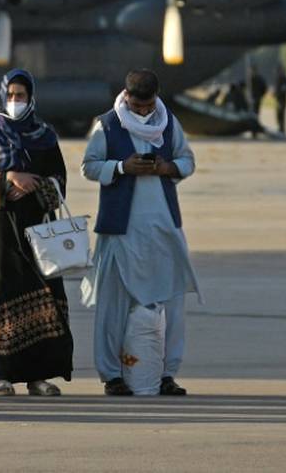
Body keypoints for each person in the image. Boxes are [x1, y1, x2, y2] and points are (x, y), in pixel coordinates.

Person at [81, 70, 200, 396]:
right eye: (138, 106)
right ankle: (112, 375)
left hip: (163, 229)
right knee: (113, 306)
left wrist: (167, 168)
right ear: (126, 96)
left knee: (171, 304)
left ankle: (166, 373)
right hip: (121, 232)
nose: (144, 112)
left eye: (148, 106)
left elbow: (187, 160)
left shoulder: (168, 121)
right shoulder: (106, 124)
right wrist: (121, 167)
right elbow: (89, 165)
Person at [0, 69, 74, 396]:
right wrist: (8, 178)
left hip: (39, 222)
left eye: (21, 96)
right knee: (6, 292)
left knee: (44, 292)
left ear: (31, 98)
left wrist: (35, 184)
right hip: (3, 223)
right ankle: (5, 375)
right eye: (11, 95)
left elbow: (60, 181)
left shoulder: (45, 134)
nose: (15, 101)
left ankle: (39, 376)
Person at [274, 66, 286, 135]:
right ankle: (280, 128)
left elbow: (284, 89)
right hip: (278, 99)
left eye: (279, 71)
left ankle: (282, 129)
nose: (278, 73)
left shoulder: (285, 79)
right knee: (278, 115)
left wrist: (279, 93)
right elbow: (277, 88)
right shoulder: (278, 79)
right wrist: (275, 93)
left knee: (281, 115)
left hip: (282, 100)